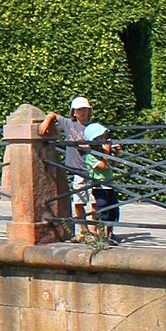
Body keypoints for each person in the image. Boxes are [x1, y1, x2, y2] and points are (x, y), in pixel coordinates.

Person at [62, 96, 105, 236]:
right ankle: (84, 231)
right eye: (79, 110)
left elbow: (105, 143)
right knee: (78, 201)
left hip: (93, 168)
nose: (82, 112)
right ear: (73, 112)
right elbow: (53, 115)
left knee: (95, 202)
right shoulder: (68, 124)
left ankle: (95, 230)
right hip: (77, 169)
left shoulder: (95, 127)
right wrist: (46, 122)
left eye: (85, 109)